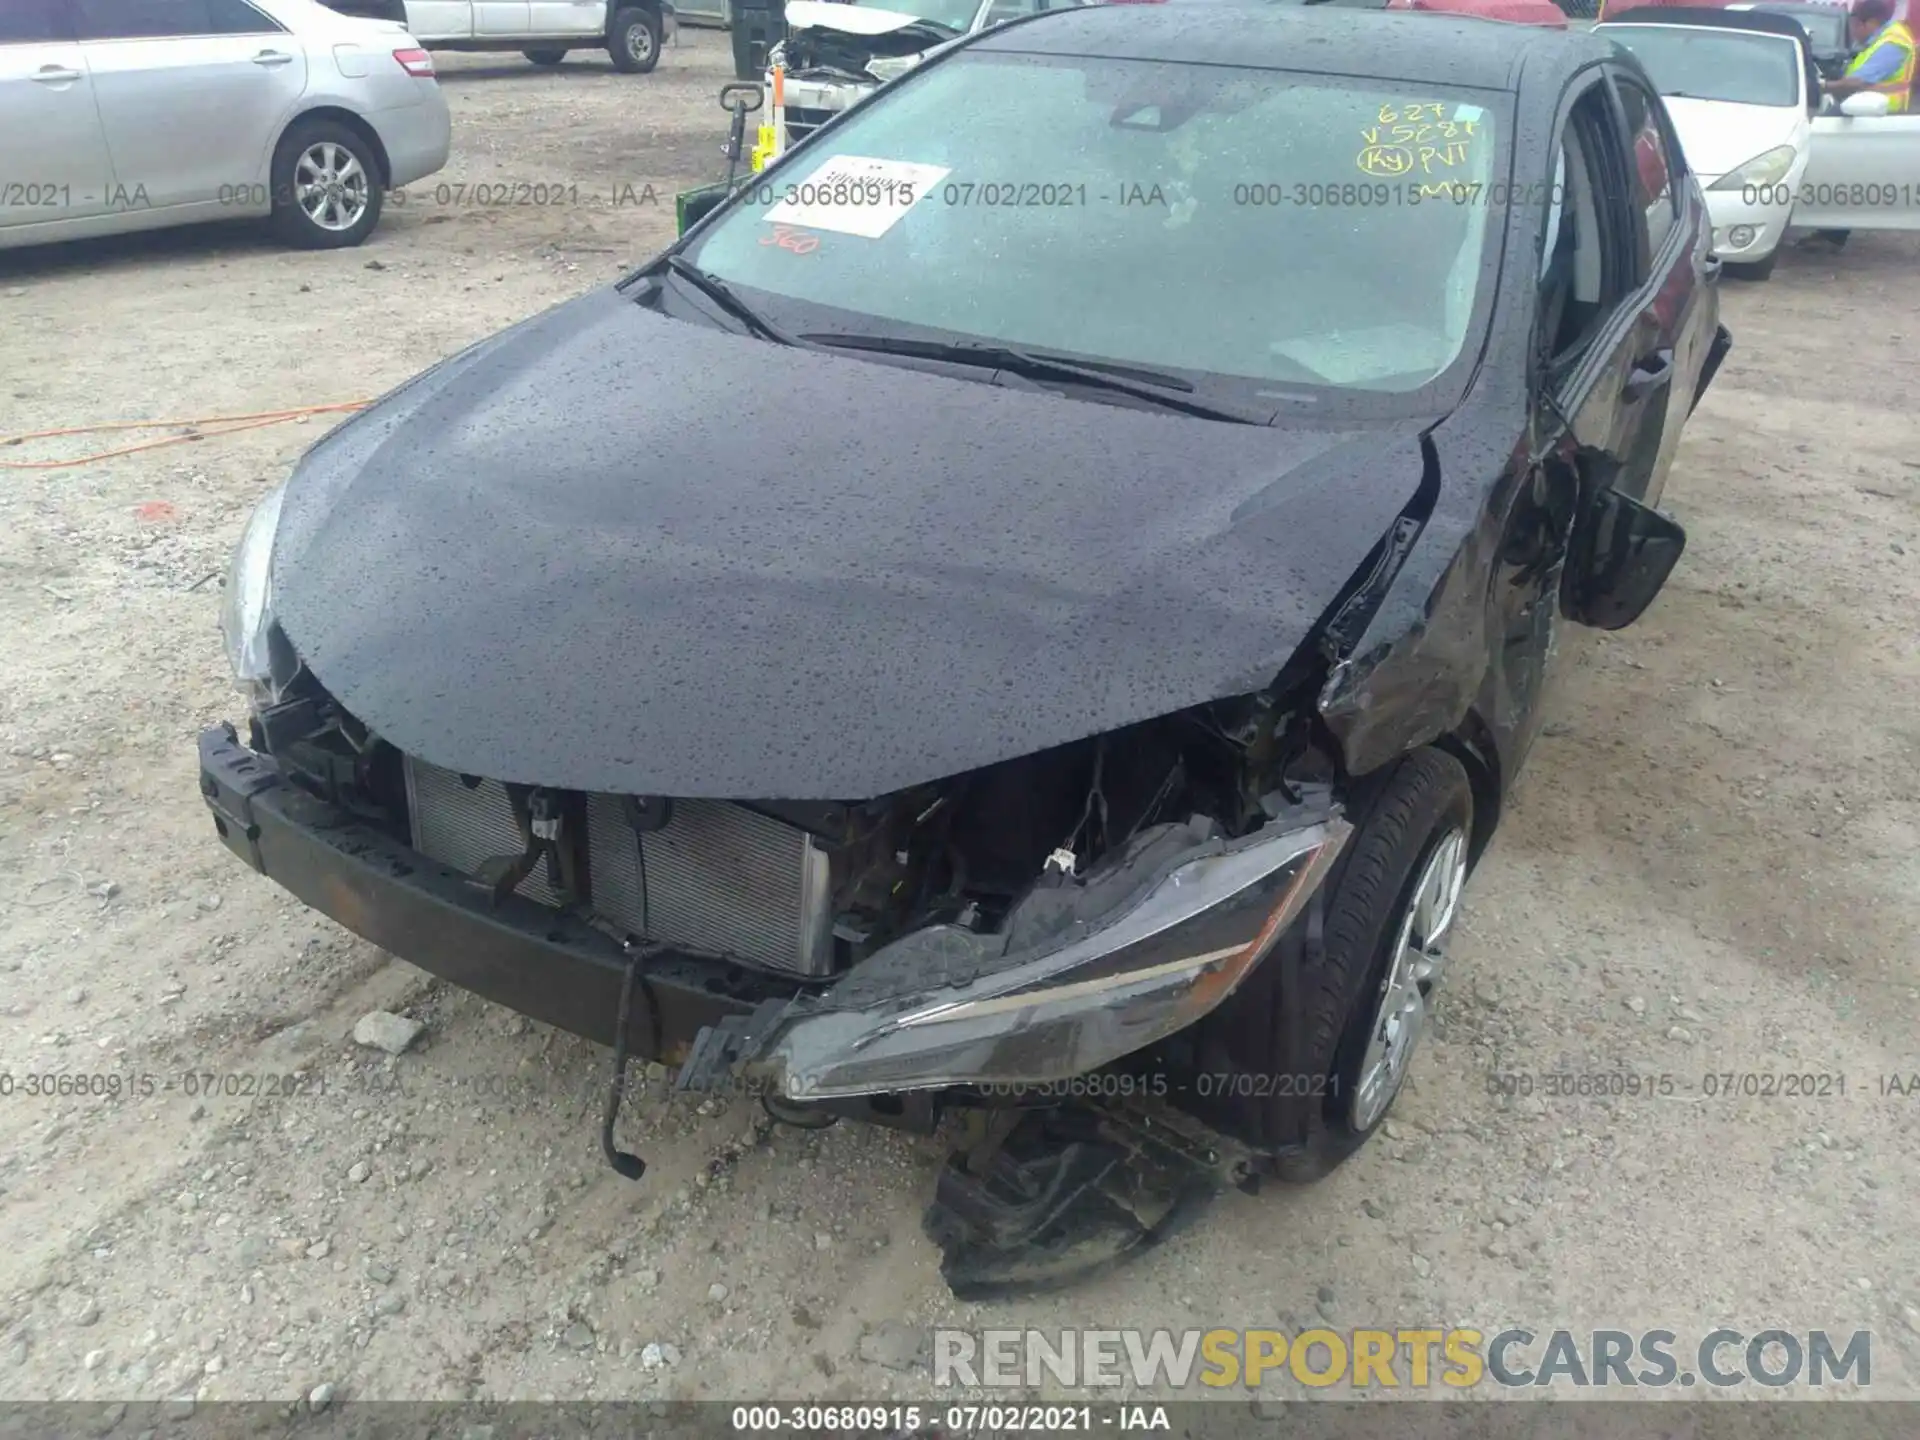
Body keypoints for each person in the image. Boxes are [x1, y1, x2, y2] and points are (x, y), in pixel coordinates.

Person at [1804, 0, 1915, 246]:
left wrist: (1819, 87)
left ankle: (1833, 234)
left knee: (1838, 173)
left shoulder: (1892, 43)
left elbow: (1858, 82)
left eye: (1854, 25)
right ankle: (1830, 230)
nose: (1853, 32)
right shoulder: (1883, 37)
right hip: (1865, 113)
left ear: (1867, 22)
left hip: (1872, 116)